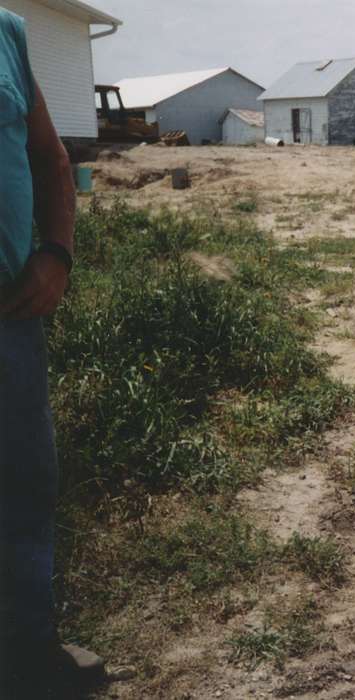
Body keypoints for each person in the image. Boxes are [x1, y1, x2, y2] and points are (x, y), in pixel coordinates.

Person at [0, 8, 105, 698]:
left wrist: (57, 251)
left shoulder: (7, 32)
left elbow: (49, 157)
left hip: (8, 322)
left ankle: (28, 652)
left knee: (25, 485)